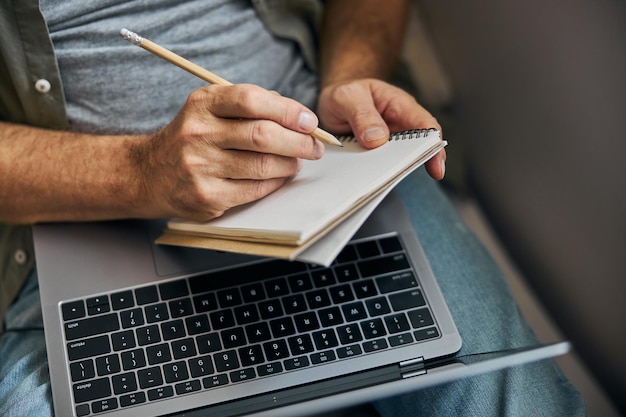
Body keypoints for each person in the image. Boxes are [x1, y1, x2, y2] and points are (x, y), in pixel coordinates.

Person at [0, 0, 584, 416]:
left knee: (511, 398)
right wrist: (139, 172)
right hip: (71, 210)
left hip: (325, 163)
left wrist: (351, 74)